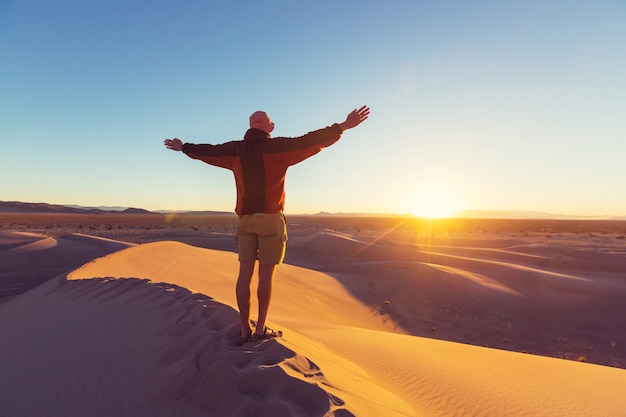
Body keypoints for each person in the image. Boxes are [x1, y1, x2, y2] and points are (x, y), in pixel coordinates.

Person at [164, 105, 370, 344]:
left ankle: (244, 329)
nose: (273, 125)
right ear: (268, 126)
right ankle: (260, 329)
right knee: (266, 277)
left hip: (245, 221)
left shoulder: (235, 150)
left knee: (244, 276)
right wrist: (343, 126)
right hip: (271, 220)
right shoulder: (278, 147)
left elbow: (209, 151)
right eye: (271, 122)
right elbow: (311, 140)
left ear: (251, 125)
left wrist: (184, 148)